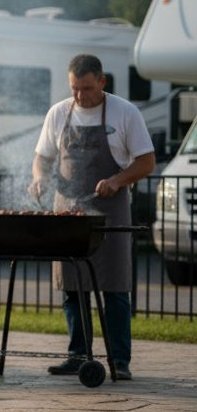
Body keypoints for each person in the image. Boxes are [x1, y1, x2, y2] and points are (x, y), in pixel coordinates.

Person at [29, 53, 155, 381]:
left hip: (109, 212)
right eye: (74, 89)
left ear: (102, 82)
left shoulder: (125, 112)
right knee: (72, 286)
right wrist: (40, 177)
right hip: (67, 211)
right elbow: (42, 158)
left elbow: (146, 161)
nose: (80, 96)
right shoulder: (58, 113)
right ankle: (77, 354)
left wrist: (117, 180)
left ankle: (119, 359)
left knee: (114, 288)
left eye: (86, 88)